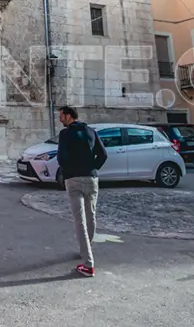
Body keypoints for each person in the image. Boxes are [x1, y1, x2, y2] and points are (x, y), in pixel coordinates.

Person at [56, 105, 107, 277]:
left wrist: (68, 171)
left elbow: (61, 157)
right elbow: (103, 155)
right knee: (90, 215)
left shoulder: (65, 134)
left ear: (69, 116)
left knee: (80, 221)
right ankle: (87, 250)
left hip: (74, 179)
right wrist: (92, 166)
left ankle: (88, 263)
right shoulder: (91, 131)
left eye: (61, 116)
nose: (60, 119)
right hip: (92, 178)